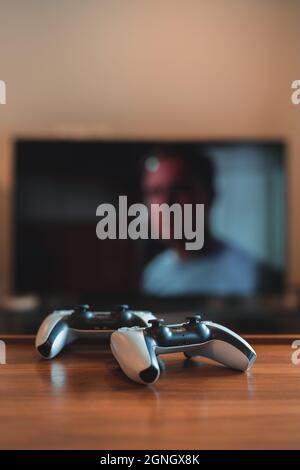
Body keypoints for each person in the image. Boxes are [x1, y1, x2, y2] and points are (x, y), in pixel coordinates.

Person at [141, 144, 280, 296]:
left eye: (180, 189)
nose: (166, 204)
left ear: (210, 195)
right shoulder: (154, 274)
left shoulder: (253, 277)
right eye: (155, 192)